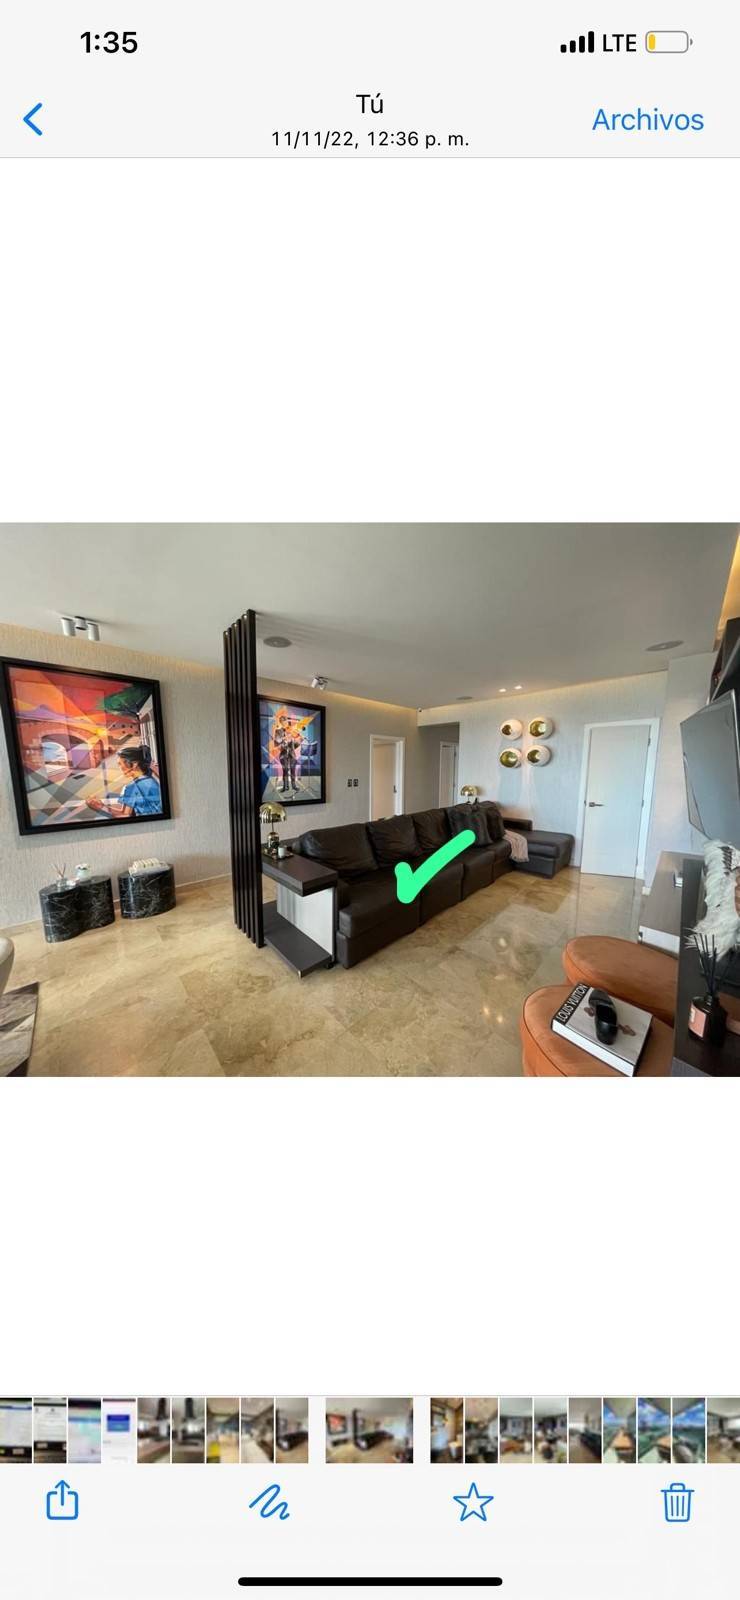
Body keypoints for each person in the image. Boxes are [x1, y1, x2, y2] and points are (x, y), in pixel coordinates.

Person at [87, 745, 162, 818]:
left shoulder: (132, 787)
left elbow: (124, 815)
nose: (120, 768)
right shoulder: (151, 780)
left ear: (134, 764)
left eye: (120, 764)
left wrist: (99, 807)